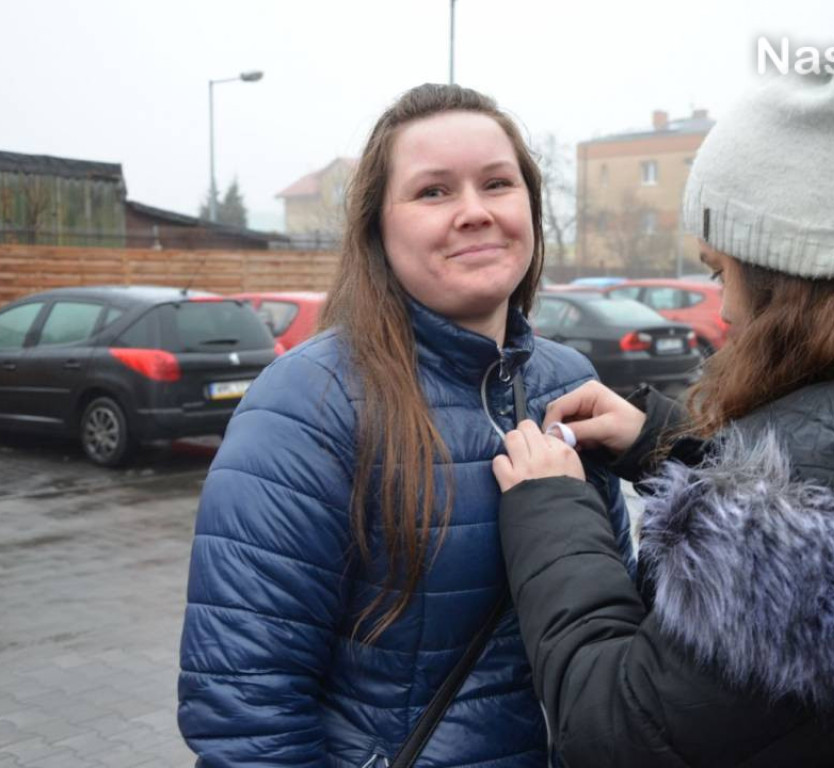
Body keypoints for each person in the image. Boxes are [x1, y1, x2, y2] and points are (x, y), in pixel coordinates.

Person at [491, 4, 834, 766]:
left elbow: (619, 728)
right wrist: (664, 445)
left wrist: (551, 511)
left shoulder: (779, 538)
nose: (723, 308)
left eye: (720, 272)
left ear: (790, 279)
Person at [177, 83, 632, 767]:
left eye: (497, 183)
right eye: (433, 192)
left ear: (531, 208)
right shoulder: (308, 405)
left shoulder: (573, 389)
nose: (475, 212)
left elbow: (619, 626)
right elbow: (245, 704)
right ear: (377, 231)